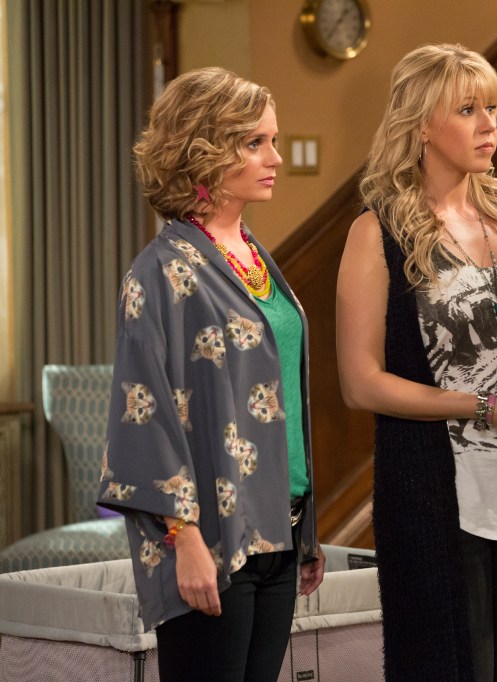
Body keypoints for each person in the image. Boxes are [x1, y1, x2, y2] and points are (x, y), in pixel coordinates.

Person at [335, 43, 497, 681]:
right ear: (420, 125)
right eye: (468, 109)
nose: (489, 124)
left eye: (492, 107)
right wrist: (484, 406)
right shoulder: (377, 231)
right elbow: (360, 384)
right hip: (436, 487)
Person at [98, 67, 324, 682]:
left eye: (272, 140)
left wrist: (306, 532)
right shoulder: (161, 271)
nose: (275, 157)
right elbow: (143, 414)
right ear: (204, 149)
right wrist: (185, 539)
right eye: (255, 143)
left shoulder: (255, 256)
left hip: (281, 526)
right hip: (213, 541)